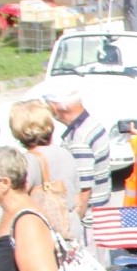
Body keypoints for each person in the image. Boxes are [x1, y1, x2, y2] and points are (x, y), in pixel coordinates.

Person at [9, 99, 82, 242]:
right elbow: (77, 197)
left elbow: (18, 202)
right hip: (71, 228)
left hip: (45, 235)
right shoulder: (65, 153)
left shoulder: (26, 162)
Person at [46, 89, 111, 234]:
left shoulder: (78, 140)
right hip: (100, 217)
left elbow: (83, 192)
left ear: (57, 107)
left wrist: (71, 230)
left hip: (87, 225)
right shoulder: (92, 124)